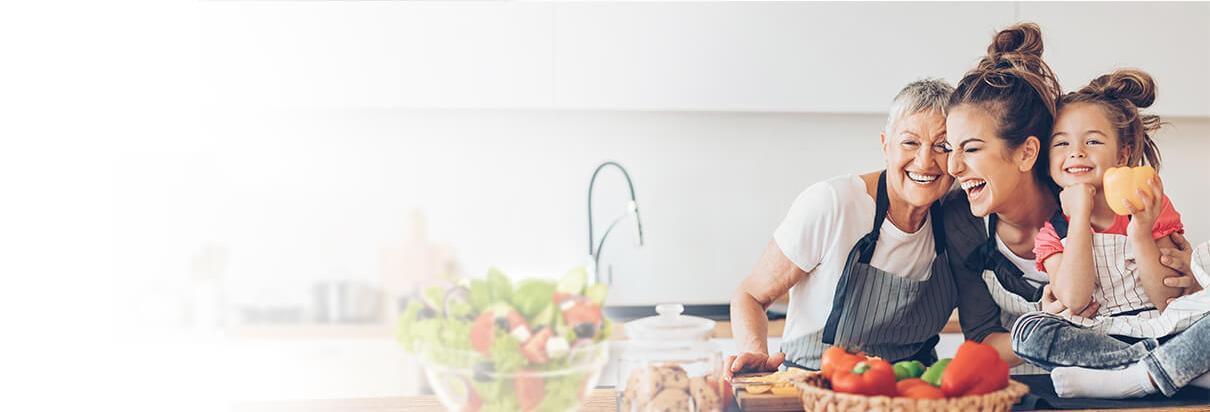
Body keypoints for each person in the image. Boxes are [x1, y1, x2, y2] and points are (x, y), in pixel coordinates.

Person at [939, 23, 1202, 375]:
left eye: (971, 149)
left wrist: (1194, 278)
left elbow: (1170, 295)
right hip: (1035, 383)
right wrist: (1047, 319)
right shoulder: (962, 222)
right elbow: (983, 341)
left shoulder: (1098, 194)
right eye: (949, 148)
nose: (953, 166)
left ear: (1027, 153)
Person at [726, 79, 957, 377]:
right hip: (814, 388)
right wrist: (755, 353)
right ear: (886, 145)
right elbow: (750, 295)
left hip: (912, 391)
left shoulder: (961, 218)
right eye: (910, 142)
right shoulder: (833, 204)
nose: (926, 161)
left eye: (943, 146)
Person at [1009, 69, 1210, 398]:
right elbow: (1075, 299)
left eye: (1092, 141)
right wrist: (1080, 216)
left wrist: (1142, 232)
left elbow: (1166, 299)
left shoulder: (1149, 205)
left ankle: (1136, 378)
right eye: (1062, 143)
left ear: (1123, 154)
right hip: (1101, 338)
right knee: (1028, 331)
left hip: (1163, 326)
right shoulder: (1053, 231)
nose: (1076, 152)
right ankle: (1172, 368)